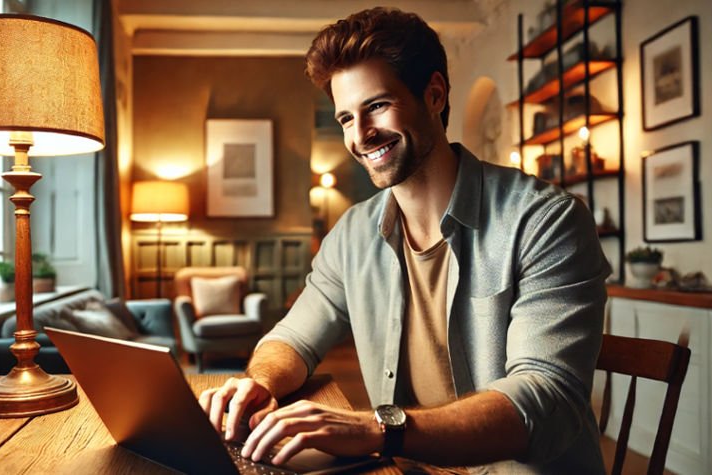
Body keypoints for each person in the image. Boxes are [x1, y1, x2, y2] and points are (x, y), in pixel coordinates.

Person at [200, 7, 610, 472]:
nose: (360, 135)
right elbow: (293, 337)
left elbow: (545, 399)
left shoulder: (547, 221)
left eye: (377, 106)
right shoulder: (352, 233)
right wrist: (260, 382)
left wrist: (377, 429)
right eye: (346, 118)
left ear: (434, 94)